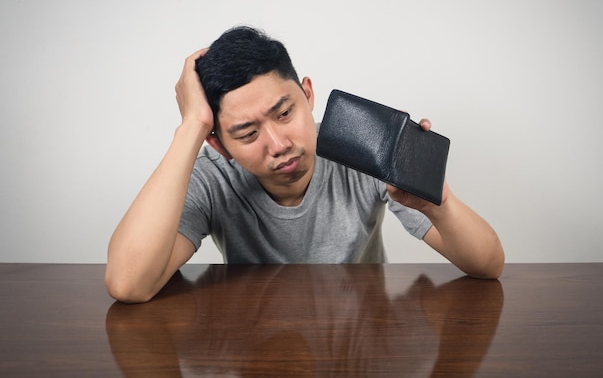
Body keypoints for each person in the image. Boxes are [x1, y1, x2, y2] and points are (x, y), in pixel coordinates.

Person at [105, 26, 504, 303]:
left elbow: (489, 265)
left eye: (284, 113)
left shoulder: (360, 150)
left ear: (307, 93)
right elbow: (128, 284)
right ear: (218, 143)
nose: (279, 145)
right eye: (247, 134)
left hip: (360, 334)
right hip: (254, 341)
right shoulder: (213, 172)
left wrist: (436, 203)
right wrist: (191, 127)